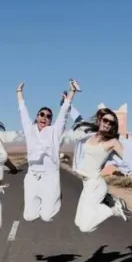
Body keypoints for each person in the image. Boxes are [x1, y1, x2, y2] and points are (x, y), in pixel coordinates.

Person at [16, 79, 80, 223]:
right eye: (42, 114)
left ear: (51, 120)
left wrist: (72, 92)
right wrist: (19, 92)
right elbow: (23, 111)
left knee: (46, 216)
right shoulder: (29, 129)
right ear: (37, 117)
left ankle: (54, 198)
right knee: (29, 216)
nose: (44, 117)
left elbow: (63, 112)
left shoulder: (54, 131)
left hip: (50, 175)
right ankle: (47, 199)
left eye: (48, 116)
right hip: (32, 175)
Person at [70, 108, 132, 232]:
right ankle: (108, 201)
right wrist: (68, 103)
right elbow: (78, 120)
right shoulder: (89, 135)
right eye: (105, 120)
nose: (108, 123)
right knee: (78, 222)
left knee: (85, 227)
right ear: (99, 120)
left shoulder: (112, 142)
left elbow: (129, 158)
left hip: (96, 184)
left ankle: (114, 208)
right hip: (87, 184)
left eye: (111, 123)